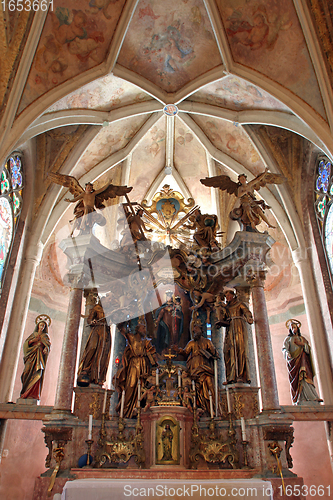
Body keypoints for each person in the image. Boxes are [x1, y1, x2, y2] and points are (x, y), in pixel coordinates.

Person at [114, 320, 157, 418]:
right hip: (134, 365)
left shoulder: (146, 341)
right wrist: (123, 319)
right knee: (131, 385)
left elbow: (153, 354)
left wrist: (155, 363)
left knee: (142, 387)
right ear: (137, 329)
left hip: (144, 365)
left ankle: (138, 411)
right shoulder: (132, 338)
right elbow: (122, 329)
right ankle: (125, 410)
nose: (145, 330)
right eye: (143, 328)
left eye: (145, 328)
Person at [178, 321, 218, 415]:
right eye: (193, 330)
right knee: (195, 389)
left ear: (201, 330)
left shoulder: (207, 342)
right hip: (194, 369)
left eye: (196, 330)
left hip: (205, 368)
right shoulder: (191, 343)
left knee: (209, 386)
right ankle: (200, 408)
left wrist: (211, 353)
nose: (194, 332)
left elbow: (215, 353)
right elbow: (185, 352)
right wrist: (178, 350)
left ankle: (212, 409)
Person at [282, 319, 323, 405]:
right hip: (294, 363)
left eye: (295, 327)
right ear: (290, 329)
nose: (294, 329)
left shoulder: (302, 339)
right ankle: (299, 398)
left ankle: (313, 396)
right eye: (292, 327)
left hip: (304, 361)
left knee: (305, 377)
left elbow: (308, 350)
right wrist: (287, 353)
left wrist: (302, 344)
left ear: (298, 328)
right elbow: (284, 349)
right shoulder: (288, 339)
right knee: (298, 380)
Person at [77, 299, 111, 387]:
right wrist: (92, 322)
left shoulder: (110, 310)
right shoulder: (97, 308)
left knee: (103, 353)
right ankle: (85, 368)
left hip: (105, 331)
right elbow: (89, 320)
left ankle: (100, 376)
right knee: (92, 347)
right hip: (97, 329)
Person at [223, 289, 253, 384]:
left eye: (228, 296)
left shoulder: (239, 304)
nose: (227, 298)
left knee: (239, 350)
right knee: (228, 351)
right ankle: (230, 377)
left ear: (233, 296)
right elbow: (223, 317)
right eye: (226, 296)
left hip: (238, 326)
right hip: (230, 329)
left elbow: (247, 312)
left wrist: (248, 317)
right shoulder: (226, 307)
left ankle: (240, 375)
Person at [20, 319, 51, 400]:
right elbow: (26, 345)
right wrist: (32, 341)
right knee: (26, 372)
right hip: (31, 355)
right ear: (38, 326)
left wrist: (46, 349)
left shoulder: (45, 336)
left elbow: (48, 345)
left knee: (37, 373)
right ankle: (24, 392)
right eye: (40, 325)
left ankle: (33, 395)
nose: (42, 327)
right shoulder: (33, 334)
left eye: (43, 326)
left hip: (39, 357)